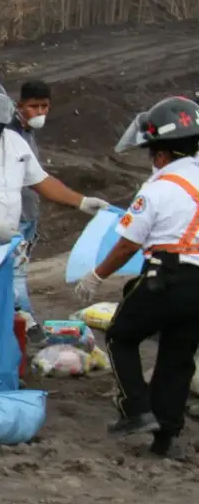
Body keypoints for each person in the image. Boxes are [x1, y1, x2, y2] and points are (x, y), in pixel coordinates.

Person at [74, 95, 199, 459]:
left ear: (160, 153)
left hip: (167, 275)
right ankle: (167, 438)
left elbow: (127, 245)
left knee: (120, 335)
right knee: (178, 357)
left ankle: (136, 409)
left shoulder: (157, 189)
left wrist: (95, 276)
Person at [0, 78, 110, 276]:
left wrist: (82, 201)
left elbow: (42, 181)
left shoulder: (15, 143)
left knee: (2, 305)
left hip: (1, 251)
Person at [9, 79, 52, 341]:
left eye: (44, 106)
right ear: (20, 106)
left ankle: (20, 319)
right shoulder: (10, 134)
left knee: (20, 268)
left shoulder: (27, 133)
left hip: (29, 213)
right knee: (17, 271)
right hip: (16, 216)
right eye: (33, 106)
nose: (39, 112)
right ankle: (27, 322)